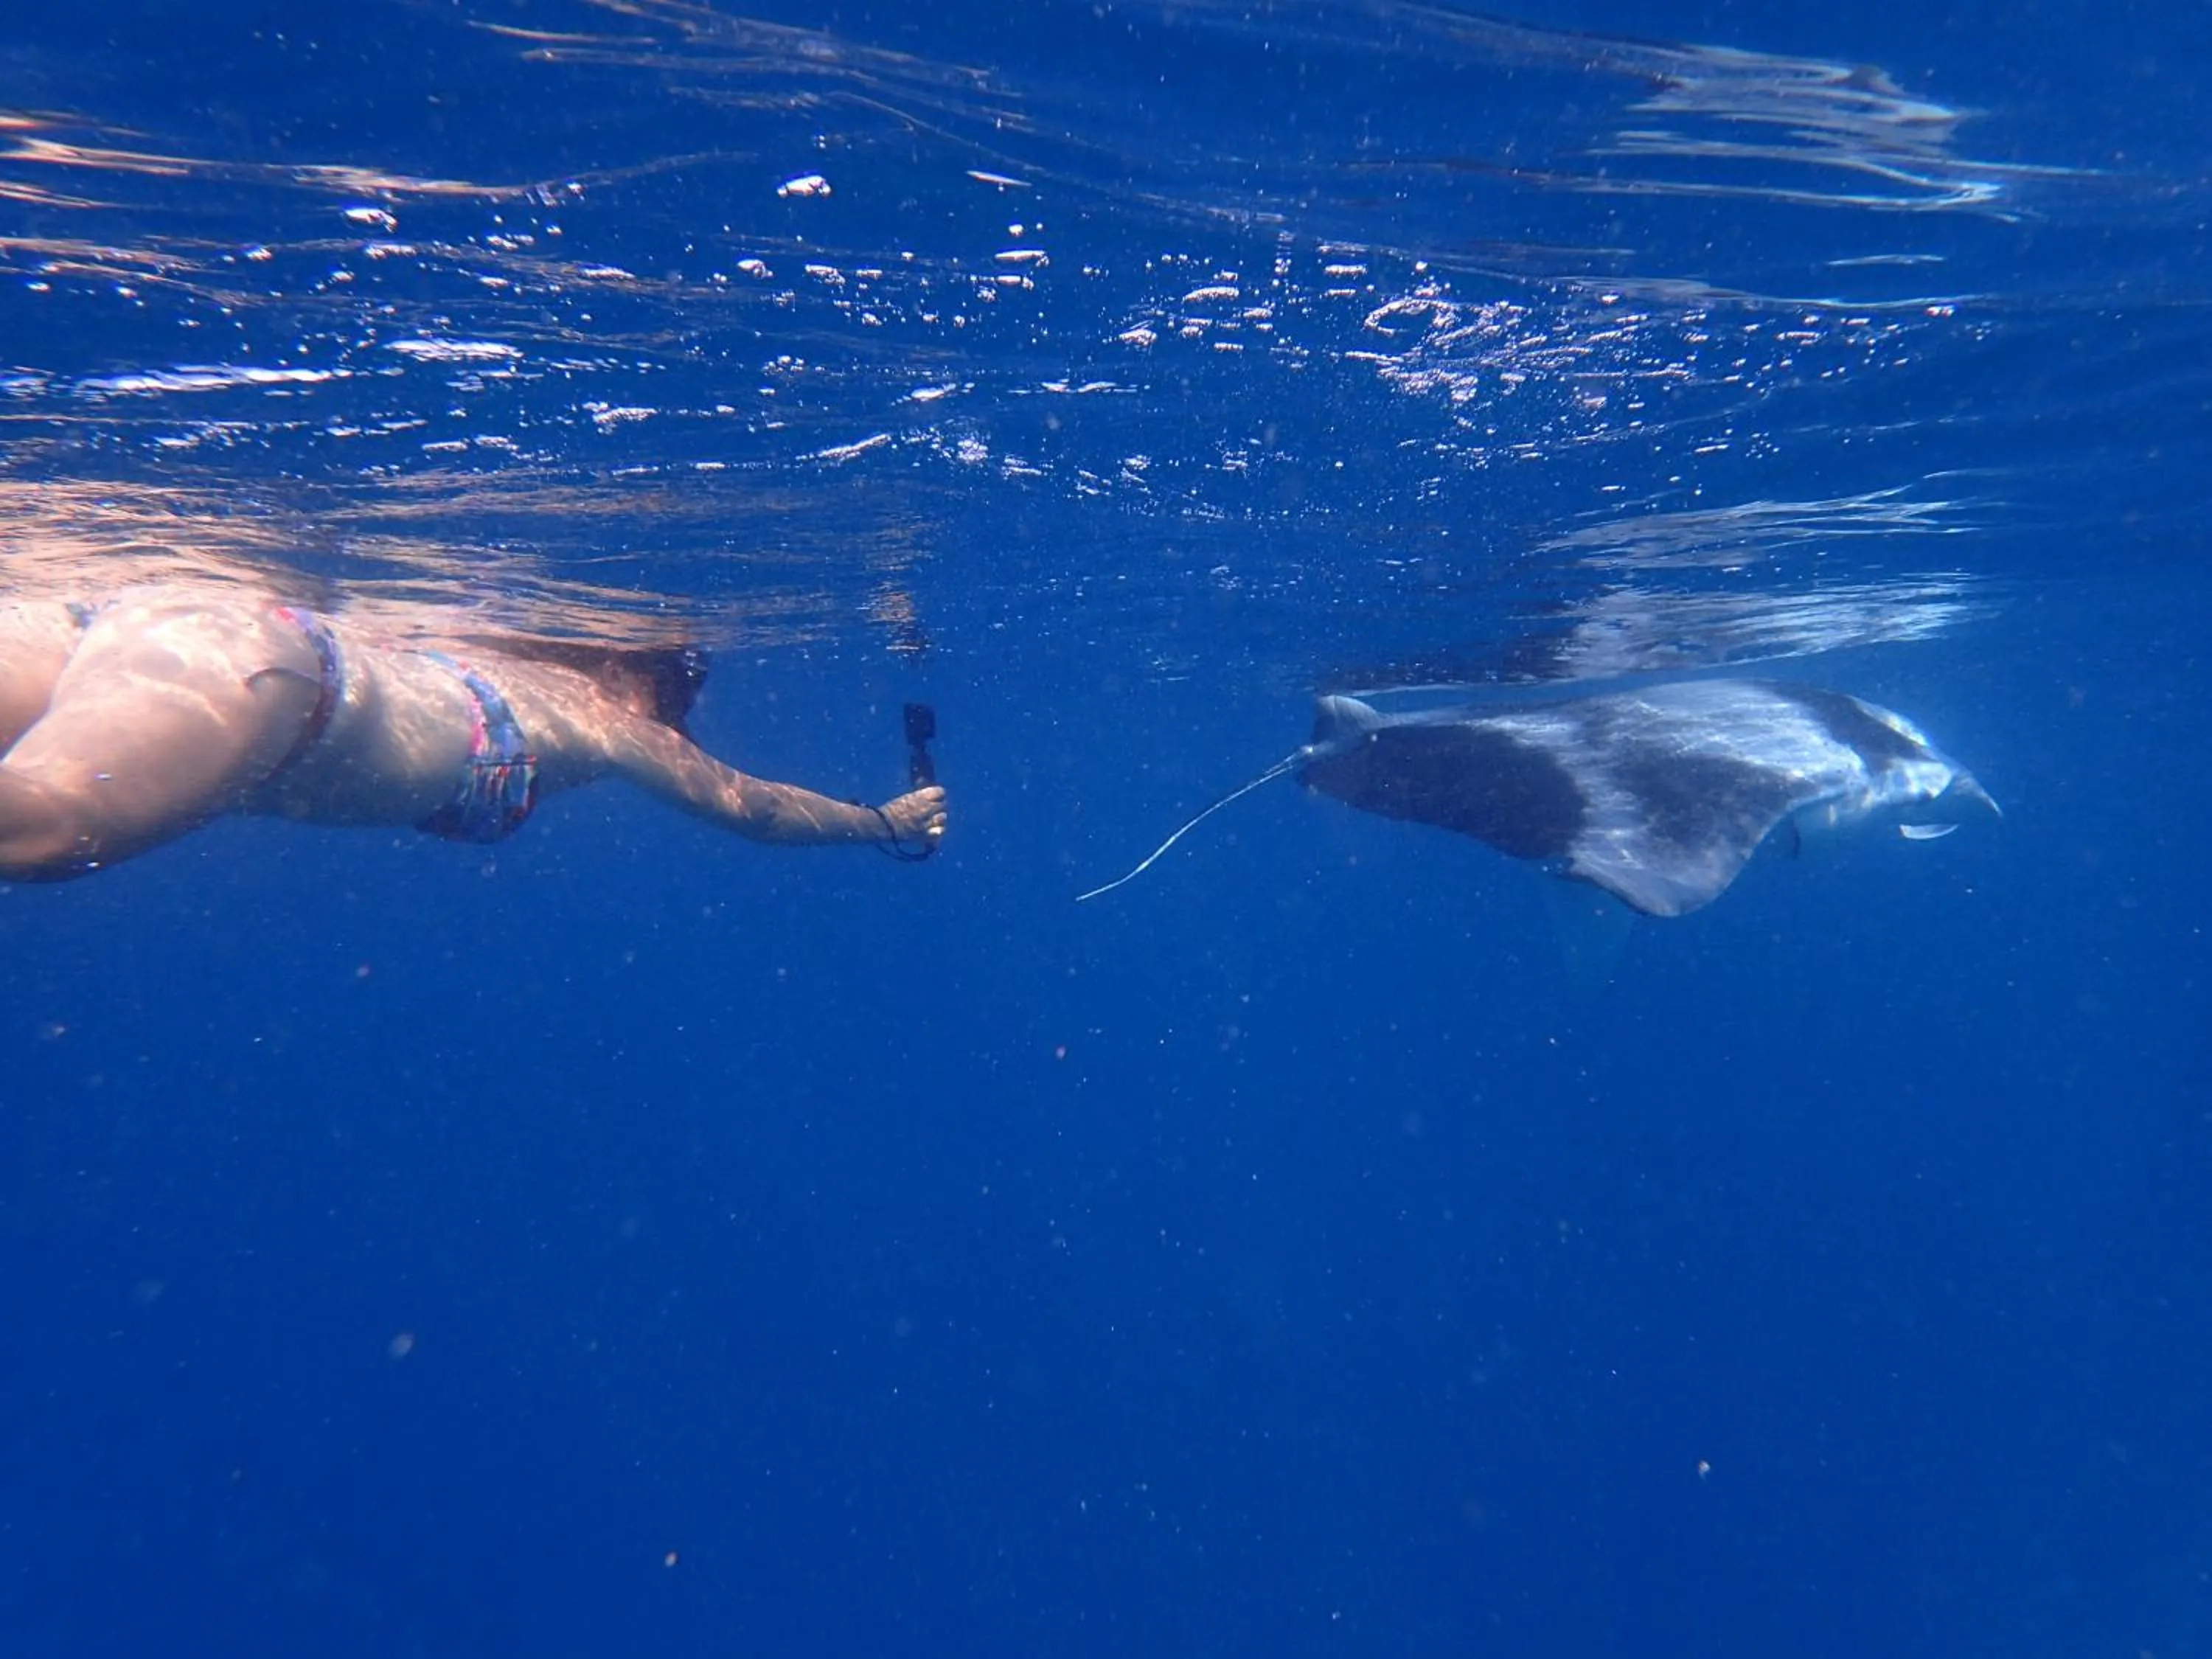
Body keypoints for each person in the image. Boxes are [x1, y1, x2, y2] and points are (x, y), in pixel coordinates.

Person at [0, 589, 947, 882]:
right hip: (276, 683)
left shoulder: (463, 643)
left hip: (140, 615)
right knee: (41, 832)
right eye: (672, 694)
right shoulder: (606, 721)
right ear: (623, 670)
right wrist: (883, 821)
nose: (673, 719)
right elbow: (756, 811)